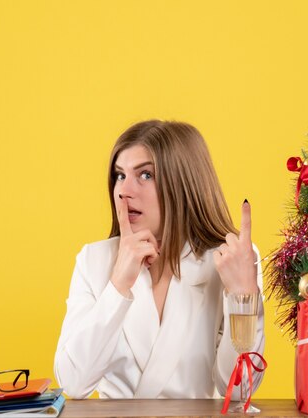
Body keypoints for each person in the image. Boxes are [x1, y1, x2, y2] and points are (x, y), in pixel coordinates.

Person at [54, 120, 265, 399]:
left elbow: (239, 391)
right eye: (120, 175)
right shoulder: (94, 260)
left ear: (183, 183)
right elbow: (73, 383)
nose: (123, 191)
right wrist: (118, 285)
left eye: (145, 175)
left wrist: (243, 296)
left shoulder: (228, 260)